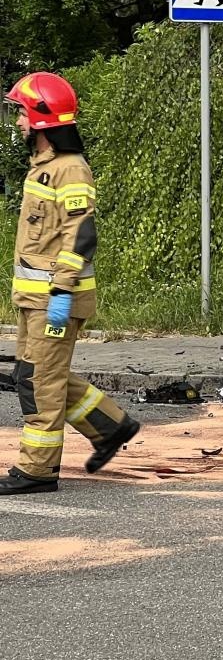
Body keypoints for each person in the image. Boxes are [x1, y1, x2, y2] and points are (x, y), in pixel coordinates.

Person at [3, 74, 141, 495]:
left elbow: (81, 235)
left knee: (41, 383)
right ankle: (111, 427)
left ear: (42, 119)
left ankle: (38, 471)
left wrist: (62, 291)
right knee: (35, 375)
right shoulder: (42, 168)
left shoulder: (70, 169)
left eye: (22, 113)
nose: (18, 122)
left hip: (56, 299)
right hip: (35, 298)